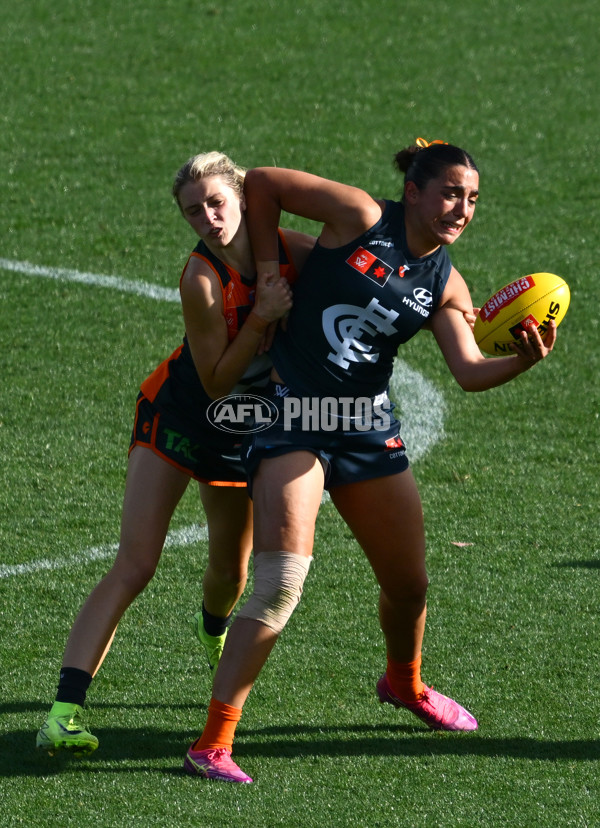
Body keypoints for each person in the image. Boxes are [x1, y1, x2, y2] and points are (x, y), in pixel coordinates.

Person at [183, 139, 557, 783]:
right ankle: (212, 741)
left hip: (364, 424)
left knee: (410, 586)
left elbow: (467, 371)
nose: (460, 208)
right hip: (294, 414)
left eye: (470, 199)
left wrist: (521, 362)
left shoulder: (446, 279)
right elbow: (265, 183)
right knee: (279, 584)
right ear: (412, 191)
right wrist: (270, 271)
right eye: (448, 193)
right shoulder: (359, 216)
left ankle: (403, 683)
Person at [35, 151, 315, 757]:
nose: (209, 218)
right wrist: (262, 316)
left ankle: (213, 629)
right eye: (195, 211)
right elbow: (215, 381)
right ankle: (63, 711)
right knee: (135, 564)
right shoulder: (201, 279)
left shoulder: (291, 248)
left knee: (233, 574)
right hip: (179, 417)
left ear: (242, 196)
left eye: (217, 203)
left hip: (241, 433)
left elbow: (362, 280)